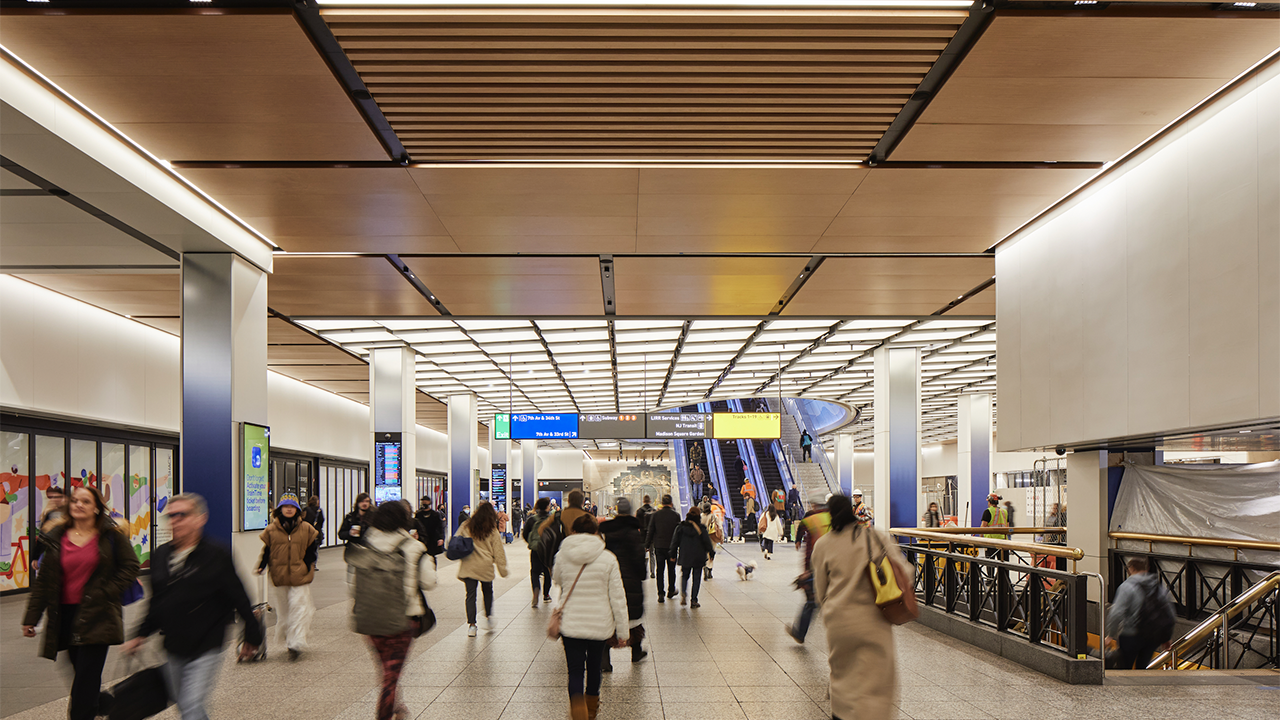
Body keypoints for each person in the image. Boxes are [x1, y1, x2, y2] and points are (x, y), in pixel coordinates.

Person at [121, 493, 260, 720]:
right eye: (171, 516)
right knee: (184, 703)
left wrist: (252, 634)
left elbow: (238, 595)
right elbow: (157, 602)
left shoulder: (216, 554)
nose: (175, 520)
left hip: (207, 643)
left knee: (191, 704)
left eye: (182, 515)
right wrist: (140, 634)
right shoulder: (161, 555)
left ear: (200, 518)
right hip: (174, 645)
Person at [21, 485, 140, 720]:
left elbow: (130, 566)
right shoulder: (57, 537)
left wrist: (108, 591)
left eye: (85, 501)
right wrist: (31, 618)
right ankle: (106, 704)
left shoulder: (111, 535)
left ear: (96, 508)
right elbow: (44, 582)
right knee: (81, 673)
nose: (78, 505)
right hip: (65, 615)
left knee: (86, 676)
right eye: (75, 500)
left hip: (98, 614)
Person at [813, 496, 907, 720]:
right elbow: (905, 574)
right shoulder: (876, 537)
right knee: (877, 680)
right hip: (875, 622)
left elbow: (820, 592)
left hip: (840, 624)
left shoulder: (823, 545)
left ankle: (843, 714)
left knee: (843, 676)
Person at [347, 500, 437, 720]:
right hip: (402, 621)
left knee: (387, 671)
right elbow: (429, 582)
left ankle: (399, 707)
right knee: (391, 675)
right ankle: (386, 714)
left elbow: (352, 585)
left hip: (370, 619)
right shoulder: (413, 547)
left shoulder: (365, 545)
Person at [553, 514, 629, 720]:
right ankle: (592, 709)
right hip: (599, 624)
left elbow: (557, 579)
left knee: (575, 670)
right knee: (594, 667)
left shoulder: (563, 555)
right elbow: (618, 598)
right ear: (596, 532)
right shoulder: (608, 558)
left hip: (571, 623)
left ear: (573, 532)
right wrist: (623, 632)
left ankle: (578, 712)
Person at [256, 492, 319, 661]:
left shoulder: (306, 528)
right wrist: (262, 565)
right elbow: (267, 550)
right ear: (280, 509)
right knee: (284, 611)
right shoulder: (271, 530)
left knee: (299, 606)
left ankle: (295, 642)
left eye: (292, 506)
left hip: (300, 574)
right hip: (280, 575)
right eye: (285, 506)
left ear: (297, 509)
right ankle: (289, 637)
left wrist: (309, 564)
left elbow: (312, 549)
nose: (289, 509)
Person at [599, 498, 647, 668]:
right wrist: (642, 574)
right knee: (633, 615)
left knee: (610, 615)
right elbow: (639, 556)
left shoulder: (607, 531)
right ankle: (636, 651)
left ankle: (605, 660)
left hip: (611, 575)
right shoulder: (634, 532)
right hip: (631, 577)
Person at [1106, 557, 1176, 670]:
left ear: (1131, 568)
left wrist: (1110, 635)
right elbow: (1169, 613)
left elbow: (1117, 613)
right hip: (1152, 637)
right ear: (1146, 569)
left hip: (1130, 635)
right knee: (1142, 669)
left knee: (1124, 668)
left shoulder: (1127, 586)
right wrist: (1166, 638)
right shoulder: (1157, 586)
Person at [457, 501, 509, 637]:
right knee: (487, 591)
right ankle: (488, 616)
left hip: (468, 565)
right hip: (485, 566)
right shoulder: (491, 529)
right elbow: (498, 551)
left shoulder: (466, 525)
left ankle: (472, 625)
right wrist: (503, 569)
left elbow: (456, 540)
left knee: (470, 595)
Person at [788, 500, 831, 643]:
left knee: (811, 601)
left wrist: (806, 570)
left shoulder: (811, 519)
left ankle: (799, 633)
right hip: (834, 565)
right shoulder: (834, 518)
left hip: (816, 567)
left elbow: (809, 549)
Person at [671, 508, 715, 608]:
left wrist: (672, 554)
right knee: (696, 578)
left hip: (685, 555)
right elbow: (707, 542)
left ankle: (683, 592)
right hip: (698, 556)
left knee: (685, 576)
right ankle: (694, 600)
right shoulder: (701, 528)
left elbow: (675, 542)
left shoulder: (680, 527)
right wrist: (711, 553)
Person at [645, 494, 681, 603]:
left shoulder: (655, 515)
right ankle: (671, 590)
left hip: (659, 546)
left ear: (662, 503)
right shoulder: (676, 515)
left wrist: (647, 545)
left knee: (660, 570)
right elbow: (679, 533)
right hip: (671, 547)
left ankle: (660, 594)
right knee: (671, 570)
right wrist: (680, 546)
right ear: (671, 503)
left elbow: (651, 530)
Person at [522, 497, 553, 607]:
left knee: (535, 572)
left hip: (535, 549)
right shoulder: (551, 520)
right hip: (548, 550)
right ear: (547, 507)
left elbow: (525, 534)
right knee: (547, 572)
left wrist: (531, 543)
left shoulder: (532, 519)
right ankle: (546, 594)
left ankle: (536, 590)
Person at [31, 485, 67, 565]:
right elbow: (43, 536)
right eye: (54, 497)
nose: (56, 500)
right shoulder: (50, 514)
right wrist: (36, 557)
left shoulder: (70, 514)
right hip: (52, 554)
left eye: (59, 497)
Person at [414, 498, 446, 566]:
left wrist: (441, 538)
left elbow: (440, 527)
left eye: (426, 501)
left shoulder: (435, 514)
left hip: (432, 539)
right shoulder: (419, 515)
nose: (424, 503)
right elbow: (414, 526)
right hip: (421, 539)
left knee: (432, 557)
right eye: (423, 501)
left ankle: (432, 569)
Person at [636, 495, 656, 579]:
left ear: (643, 501)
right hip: (652, 536)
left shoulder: (639, 511)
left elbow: (637, 524)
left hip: (642, 535)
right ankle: (652, 572)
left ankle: (642, 571)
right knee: (652, 554)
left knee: (642, 554)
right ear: (650, 501)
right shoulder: (654, 511)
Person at [303, 495, 325, 569]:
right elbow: (321, 521)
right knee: (315, 549)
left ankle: (306, 563)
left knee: (306, 548)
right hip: (316, 532)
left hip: (307, 532)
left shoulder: (306, 510)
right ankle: (313, 564)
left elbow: (302, 520)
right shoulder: (319, 510)